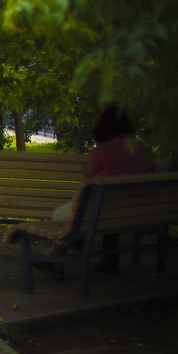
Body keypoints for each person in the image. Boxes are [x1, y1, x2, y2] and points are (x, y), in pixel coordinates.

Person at [40, 104, 151, 275]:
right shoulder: (139, 146)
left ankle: (56, 258)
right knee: (104, 210)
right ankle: (105, 260)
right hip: (135, 209)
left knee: (63, 215)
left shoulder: (104, 149)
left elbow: (87, 174)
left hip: (103, 210)